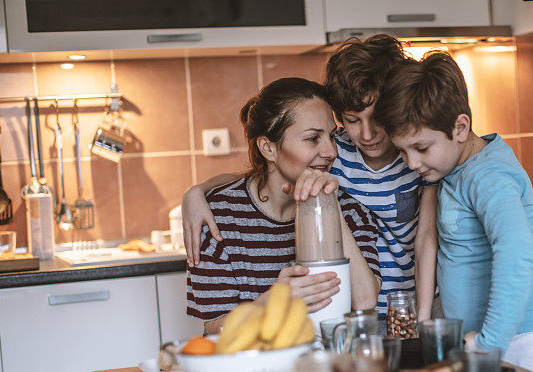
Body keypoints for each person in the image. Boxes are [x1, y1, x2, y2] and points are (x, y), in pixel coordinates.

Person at [181, 35, 438, 318]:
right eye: (352, 120)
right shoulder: (337, 149)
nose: (366, 134)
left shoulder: (414, 158)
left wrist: (424, 316)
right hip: (355, 319)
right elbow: (261, 175)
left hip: (411, 302)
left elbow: (426, 238)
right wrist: (197, 192)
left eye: (378, 118)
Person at [373, 53, 533, 372]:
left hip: (532, 346)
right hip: (499, 344)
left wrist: (490, 343)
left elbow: (517, 252)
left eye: (421, 148)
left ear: (460, 127)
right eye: (403, 151)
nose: (412, 162)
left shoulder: (487, 174)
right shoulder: (455, 169)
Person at [187, 77, 381, 334]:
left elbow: (365, 301)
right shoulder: (218, 216)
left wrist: (328, 204)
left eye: (332, 137)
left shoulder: (351, 211)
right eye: (313, 139)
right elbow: (214, 326)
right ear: (268, 148)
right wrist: (275, 300)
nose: (331, 151)